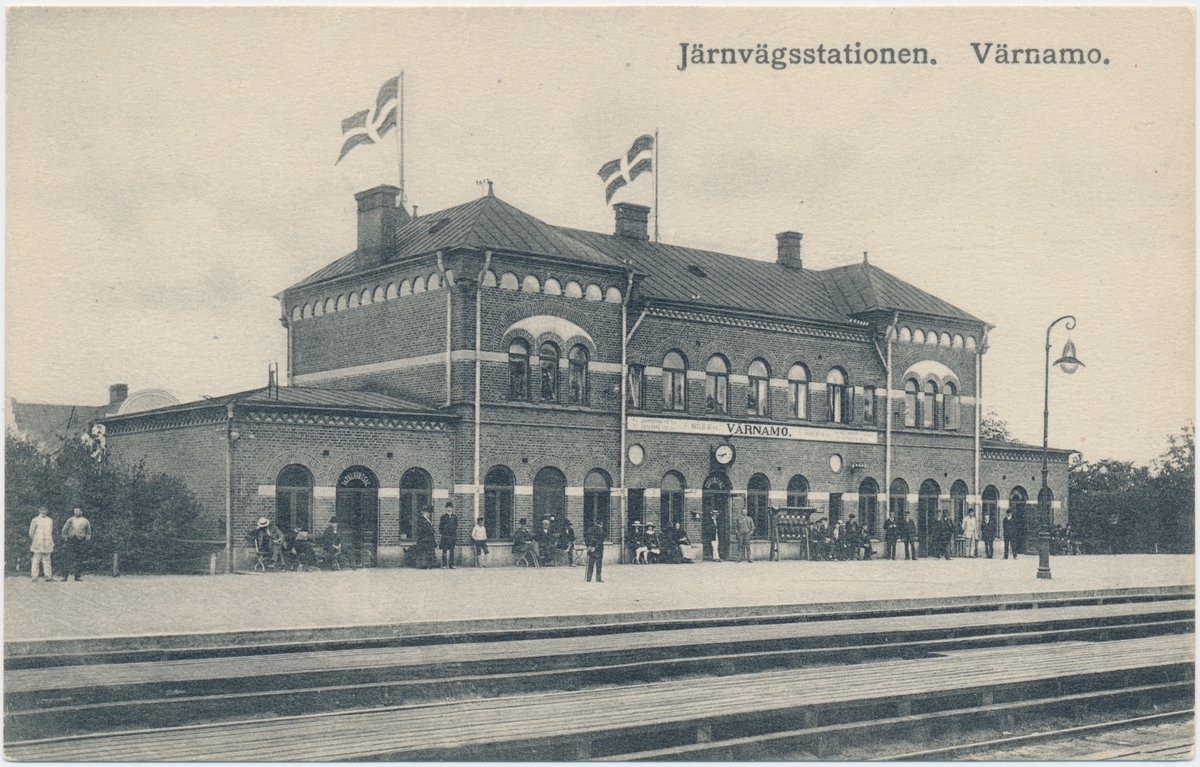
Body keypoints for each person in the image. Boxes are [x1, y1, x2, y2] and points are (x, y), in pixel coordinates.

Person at [60, 507, 92, 581]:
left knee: (79, 558)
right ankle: (65, 576)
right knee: (68, 558)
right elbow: (64, 529)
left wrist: (87, 538)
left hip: (81, 541)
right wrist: (65, 537)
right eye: (75, 511)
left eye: (77, 511)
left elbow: (88, 532)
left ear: (81, 512)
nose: (75, 512)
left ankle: (77, 576)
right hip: (71, 540)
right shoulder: (71, 520)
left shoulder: (85, 521)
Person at [29, 507, 55, 582]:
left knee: (47, 560)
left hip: (47, 542)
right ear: (39, 510)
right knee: (36, 560)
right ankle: (34, 576)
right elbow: (31, 532)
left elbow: (51, 531)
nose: (44, 511)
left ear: (47, 511)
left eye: (45, 510)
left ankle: (48, 576)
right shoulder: (35, 520)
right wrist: (36, 539)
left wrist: (49, 540)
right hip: (38, 543)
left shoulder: (50, 520)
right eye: (42, 510)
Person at [438, 502, 458, 569]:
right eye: (448, 507)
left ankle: (451, 564)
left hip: (452, 536)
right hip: (445, 537)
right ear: (446, 508)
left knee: (452, 551)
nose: (449, 509)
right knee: (445, 550)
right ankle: (444, 565)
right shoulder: (443, 517)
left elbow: (456, 526)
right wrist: (444, 534)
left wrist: (453, 534)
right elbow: (440, 527)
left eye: (450, 508)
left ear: (452, 508)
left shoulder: (455, 517)